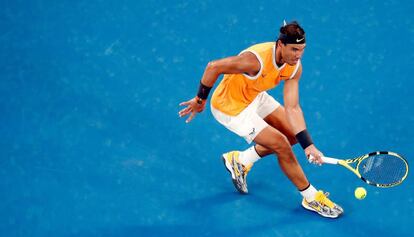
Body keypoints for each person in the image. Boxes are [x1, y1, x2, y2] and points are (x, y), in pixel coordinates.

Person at [178, 21, 343, 218]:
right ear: (280, 44)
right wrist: (200, 100)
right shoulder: (254, 61)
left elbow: (293, 108)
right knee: (281, 144)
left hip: (254, 96)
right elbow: (213, 67)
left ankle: (240, 160)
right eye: (294, 49)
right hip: (230, 107)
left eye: (302, 50)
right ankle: (311, 197)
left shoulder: (294, 67)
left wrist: (308, 145)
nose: (298, 55)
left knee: (292, 135)